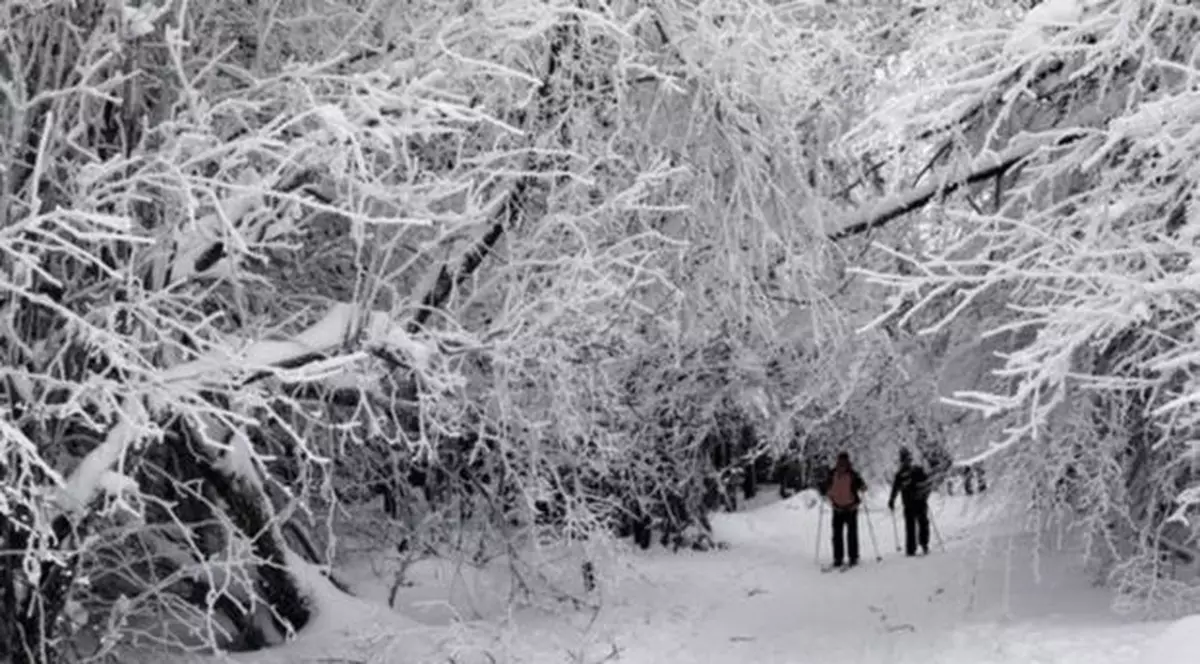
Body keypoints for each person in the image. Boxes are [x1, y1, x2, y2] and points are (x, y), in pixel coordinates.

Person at [819, 451, 866, 568]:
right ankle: (838, 558)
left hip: (851, 507)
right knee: (837, 535)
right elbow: (826, 485)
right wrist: (823, 489)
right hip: (837, 507)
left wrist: (863, 487)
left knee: (851, 534)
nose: (842, 464)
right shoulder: (832, 473)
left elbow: (862, 485)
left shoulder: (853, 474)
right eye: (840, 462)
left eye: (844, 462)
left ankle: (853, 557)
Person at [888, 447, 931, 556]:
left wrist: (892, 500)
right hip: (920, 501)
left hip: (909, 503)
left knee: (910, 526)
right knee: (922, 523)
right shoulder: (917, 469)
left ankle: (911, 549)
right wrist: (925, 495)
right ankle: (924, 544)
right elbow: (927, 482)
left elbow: (895, 489)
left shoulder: (900, 474)